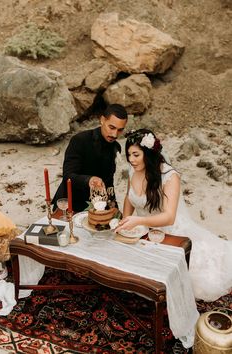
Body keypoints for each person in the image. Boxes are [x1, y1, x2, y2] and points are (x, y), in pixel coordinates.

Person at [115, 128, 232, 301]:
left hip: (168, 230)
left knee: (198, 279)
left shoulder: (170, 176)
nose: (131, 160)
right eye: (129, 155)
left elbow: (169, 216)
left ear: (148, 153)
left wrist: (138, 220)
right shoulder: (134, 169)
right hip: (140, 230)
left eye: (136, 155)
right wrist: (125, 223)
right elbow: (129, 197)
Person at [52, 104, 128, 213]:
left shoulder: (116, 147)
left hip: (99, 205)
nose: (115, 134)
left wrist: (113, 206)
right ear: (102, 120)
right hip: (70, 204)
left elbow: (108, 181)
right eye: (111, 127)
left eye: (120, 130)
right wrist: (89, 180)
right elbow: (68, 176)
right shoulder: (79, 141)